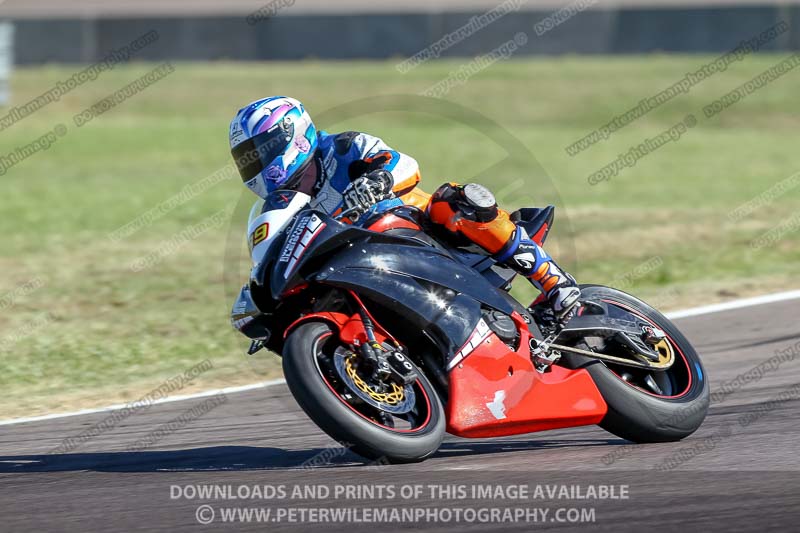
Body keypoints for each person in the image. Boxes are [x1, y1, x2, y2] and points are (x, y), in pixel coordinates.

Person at [230, 96, 581, 322]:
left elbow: (404, 165)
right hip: (366, 265)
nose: (257, 162)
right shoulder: (277, 206)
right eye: (248, 158)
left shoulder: (344, 147)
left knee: (454, 201)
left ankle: (554, 281)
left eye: (263, 149)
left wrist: (378, 180)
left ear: (293, 135)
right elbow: (274, 252)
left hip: (423, 234)